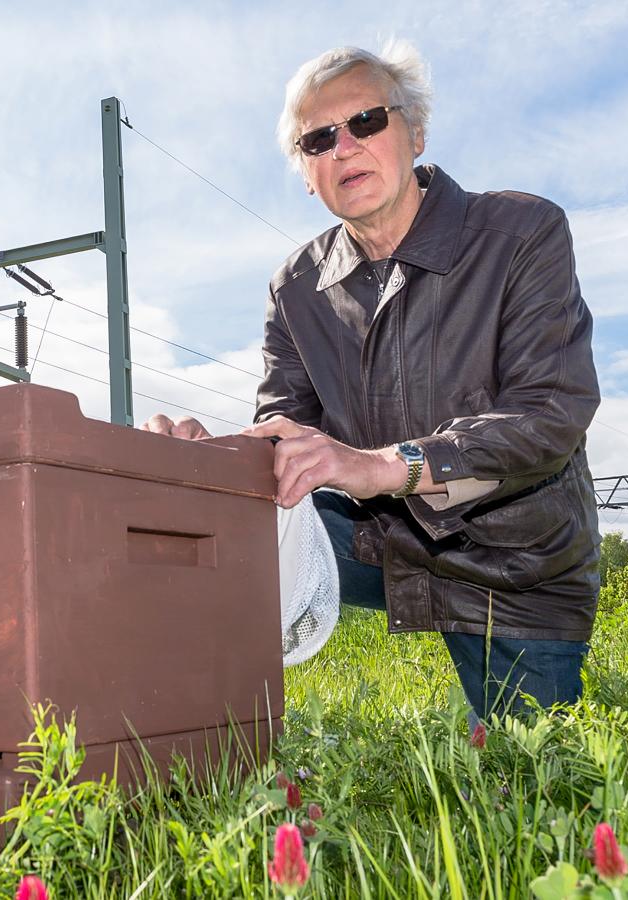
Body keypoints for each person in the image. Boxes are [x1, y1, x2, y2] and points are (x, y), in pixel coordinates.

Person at [144, 42, 600, 722]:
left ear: (414, 132)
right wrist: (211, 466)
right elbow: (286, 438)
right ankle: (192, 754)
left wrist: (382, 466)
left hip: (515, 560)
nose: (344, 148)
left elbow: (548, 419)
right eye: (318, 139)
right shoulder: (296, 286)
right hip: (374, 541)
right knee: (213, 538)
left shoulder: (521, 233)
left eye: (367, 122)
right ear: (305, 173)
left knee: (536, 785)